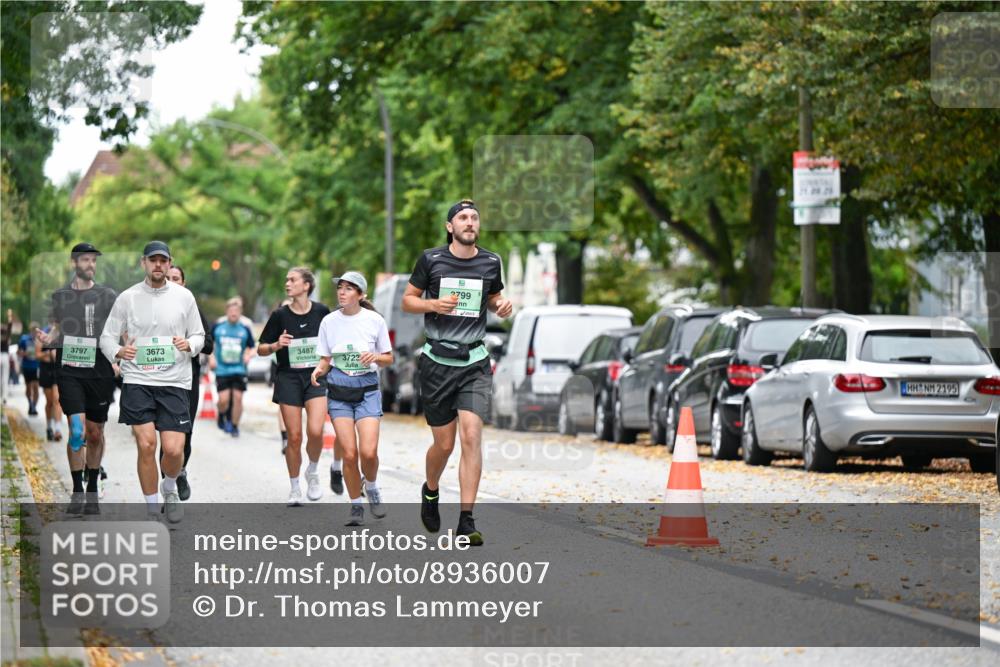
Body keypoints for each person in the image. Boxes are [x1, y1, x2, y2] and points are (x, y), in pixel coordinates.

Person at [401, 200, 513, 546]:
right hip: (437, 361)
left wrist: (501, 305)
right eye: (462, 218)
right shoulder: (431, 260)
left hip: (474, 362)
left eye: (474, 217)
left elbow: (493, 297)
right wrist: (433, 304)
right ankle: (431, 490)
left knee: (471, 435)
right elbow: (408, 300)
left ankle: (467, 520)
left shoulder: (490, 261)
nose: (469, 222)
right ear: (450, 227)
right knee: (444, 444)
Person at [99, 241, 205, 522]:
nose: (158, 265)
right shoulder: (127, 298)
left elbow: (199, 335)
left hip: (175, 381)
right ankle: (151, 510)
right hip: (138, 380)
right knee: (146, 445)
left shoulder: (184, 297)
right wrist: (118, 352)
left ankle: (169, 486)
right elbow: (107, 337)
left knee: (173, 449)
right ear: (143, 263)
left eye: (163, 260)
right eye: (153, 260)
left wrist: (190, 344)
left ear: (169, 264)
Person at [36, 243, 119, 514]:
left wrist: (117, 356)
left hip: (99, 372)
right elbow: (57, 329)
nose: (90, 265)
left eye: (93, 260)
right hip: (69, 370)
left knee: (95, 433)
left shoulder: (107, 295)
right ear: (74, 263)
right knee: (77, 431)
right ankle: (76, 492)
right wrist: (48, 338)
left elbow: (116, 330)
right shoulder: (60, 296)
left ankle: (92, 487)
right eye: (85, 260)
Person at [311, 271, 393, 526]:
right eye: (340, 288)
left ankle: (372, 486)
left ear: (361, 294)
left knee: (368, 452)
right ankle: (356, 504)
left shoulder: (374, 320)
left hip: (367, 390)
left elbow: (388, 358)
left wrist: (375, 357)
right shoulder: (329, 322)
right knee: (349, 453)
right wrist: (318, 370)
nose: (342, 292)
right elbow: (325, 359)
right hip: (339, 392)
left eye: (348, 288)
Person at [258, 268, 331, 506]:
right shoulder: (280, 315)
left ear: (306, 285)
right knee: (294, 436)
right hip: (288, 378)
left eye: (292, 280)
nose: (287, 283)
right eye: (286, 280)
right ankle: (295, 487)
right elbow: (261, 348)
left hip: (315, 377)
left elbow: (333, 341)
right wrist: (276, 345)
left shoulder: (322, 312)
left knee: (316, 431)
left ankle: (312, 470)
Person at [165, 265, 214, 501]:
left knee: (184, 433)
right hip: (159, 378)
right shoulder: (149, 307)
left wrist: (190, 343)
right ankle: (168, 489)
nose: (171, 282)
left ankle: (180, 471)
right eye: (168, 278)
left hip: (187, 380)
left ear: (183, 283)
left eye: (176, 278)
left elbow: (209, 344)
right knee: (165, 436)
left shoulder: (192, 308)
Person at [210, 298, 255, 438]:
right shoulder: (218, 326)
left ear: (240, 312)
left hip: (239, 369)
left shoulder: (245, 329)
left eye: (236, 311)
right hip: (222, 369)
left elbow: (252, 347)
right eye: (231, 310)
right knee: (223, 400)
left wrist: (248, 355)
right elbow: (208, 343)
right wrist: (211, 358)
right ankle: (221, 413)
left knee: (238, 398)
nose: (233, 313)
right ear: (227, 311)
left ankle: (234, 426)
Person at [36, 324, 63, 442]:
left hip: (57, 370)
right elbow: (37, 354)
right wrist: (48, 354)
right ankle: (49, 427)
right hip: (46, 370)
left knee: (57, 399)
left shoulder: (62, 333)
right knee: (50, 402)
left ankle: (58, 429)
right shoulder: (43, 333)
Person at [18, 324, 41, 416]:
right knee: (28, 387)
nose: (34, 333)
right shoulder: (24, 339)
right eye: (33, 330)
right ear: (30, 330)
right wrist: (24, 353)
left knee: (36, 387)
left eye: (36, 331)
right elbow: (18, 352)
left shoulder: (40, 340)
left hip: (37, 367)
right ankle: (30, 404)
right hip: (26, 366)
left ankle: (33, 407)